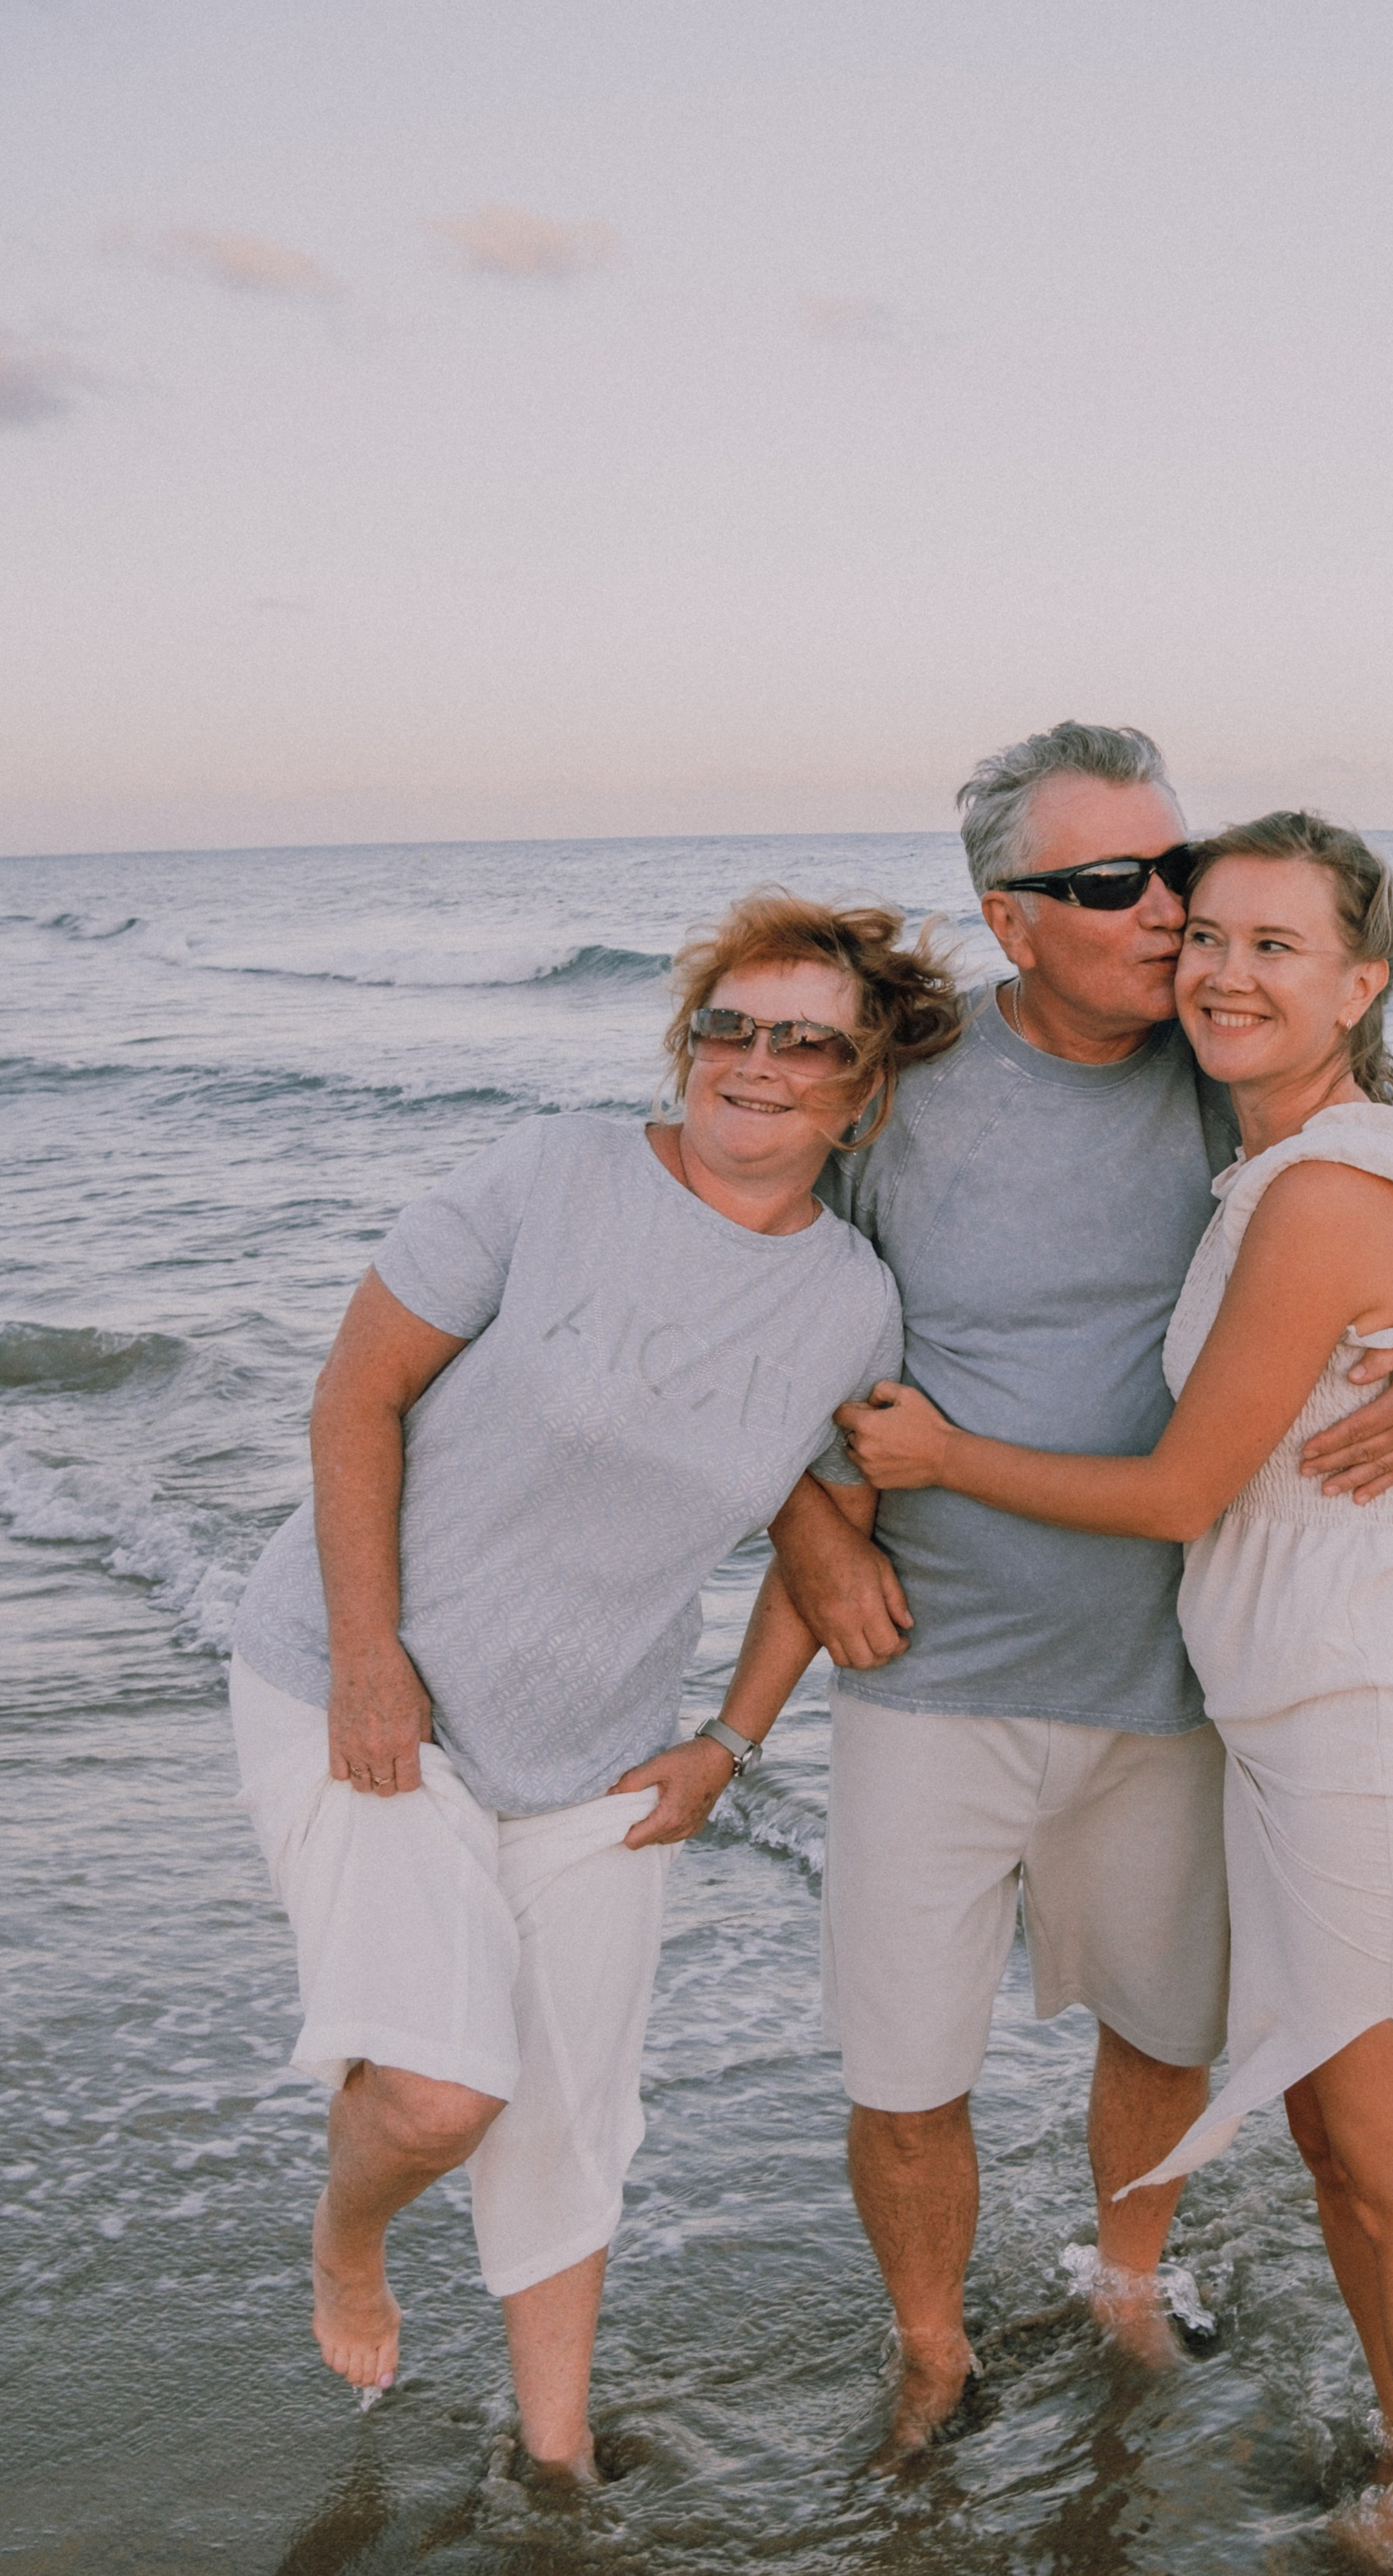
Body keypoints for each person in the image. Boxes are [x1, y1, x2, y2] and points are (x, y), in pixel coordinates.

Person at [767, 725, 1393, 2454]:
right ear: (1008, 915)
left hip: (1179, 1678)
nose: (1173, 919)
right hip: (929, 1655)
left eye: (1180, 876)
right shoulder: (898, 1081)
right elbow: (755, 1294)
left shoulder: (1231, 1060)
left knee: (1167, 2023)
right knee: (903, 2063)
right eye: (1117, 886)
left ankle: (1128, 2278)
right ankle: (927, 2354)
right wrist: (805, 1528)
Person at [226, 894, 959, 2478]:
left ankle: (555, 2458)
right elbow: (356, 1396)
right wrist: (370, 1659)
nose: (755, 1065)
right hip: (363, 1682)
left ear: (864, 1093)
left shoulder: (852, 1301)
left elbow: (826, 1548)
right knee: (435, 2094)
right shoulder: (550, 1173)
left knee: (568, 2113)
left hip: (600, 1745)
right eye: (730, 1027)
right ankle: (347, 2243)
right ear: (689, 1040)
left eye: (806, 1043)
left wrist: (728, 1748)